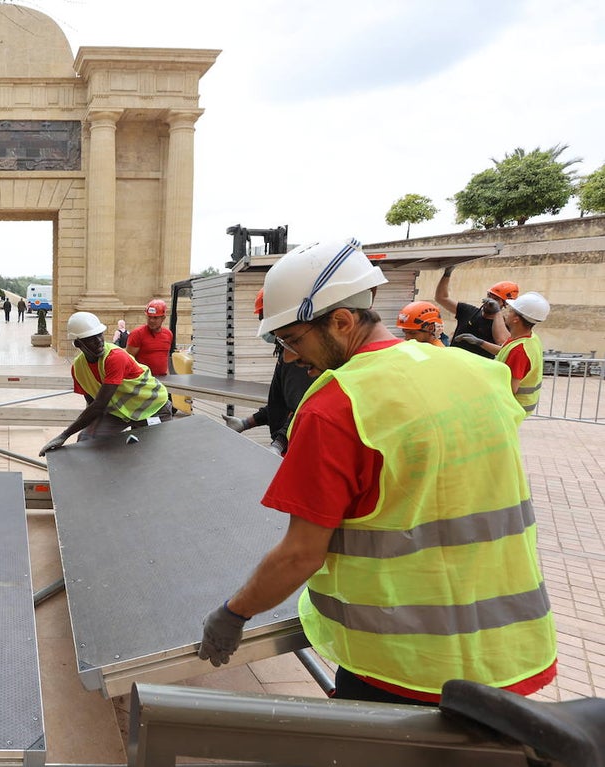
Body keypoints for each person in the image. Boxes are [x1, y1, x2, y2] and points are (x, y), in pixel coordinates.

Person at [199, 237, 556, 706]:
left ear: (342, 321)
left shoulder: (337, 404)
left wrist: (233, 613)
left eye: (291, 339)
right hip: (512, 649)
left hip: (403, 663)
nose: (287, 357)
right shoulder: (477, 373)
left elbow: (300, 555)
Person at [39, 311, 173, 455]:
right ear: (78, 343)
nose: (99, 341)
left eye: (100, 335)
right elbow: (92, 404)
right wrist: (89, 430)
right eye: (91, 338)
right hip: (120, 414)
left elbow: (99, 405)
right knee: (87, 439)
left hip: (153, 409)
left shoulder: (115, 357)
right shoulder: (78, 368)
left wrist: (65, 435)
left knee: (150, 455)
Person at [223, 288, 312, 454]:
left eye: (265, 318)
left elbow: (301, 408)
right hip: (287, 445)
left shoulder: (299, 357)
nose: (265, 327)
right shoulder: (284, 351)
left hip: (294, 447)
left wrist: (279, 444)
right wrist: (245, 423)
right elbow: (279, 403)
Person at [458, 291, 551, 416]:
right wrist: (479, 342)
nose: (507, 313)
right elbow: (505, 351)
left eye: (511, 311)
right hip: (516, 405)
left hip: (510, 408)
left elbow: (511, 388)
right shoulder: (530, 338)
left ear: (516, 319)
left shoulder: (519, 350)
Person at [435, 265, 515, 358]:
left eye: (496, 299)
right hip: (455, 361)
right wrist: (447, 274)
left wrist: (497, 311)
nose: (490, 301)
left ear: (505, 304)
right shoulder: (468, 311)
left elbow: (503, 343)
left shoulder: (505, 324)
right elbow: (441, 298)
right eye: (489, 296)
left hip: (478, 368)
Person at [126, 299, 174, 376]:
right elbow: (128, 359)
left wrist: (168, 376)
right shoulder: (137, 334)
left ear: (163, 318)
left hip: (163, 379)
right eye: (149, 317)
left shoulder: (168, 334)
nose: (151, 320)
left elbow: (165, 357)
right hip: (143, 380)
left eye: (155, 318)